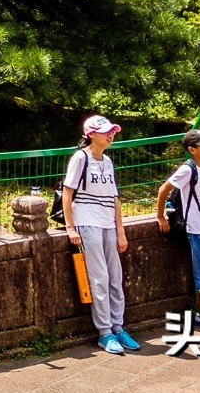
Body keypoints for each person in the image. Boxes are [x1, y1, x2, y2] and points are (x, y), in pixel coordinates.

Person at [62, 114, 137, 354]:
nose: (111, 135)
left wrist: (120, 230)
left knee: (115, 277)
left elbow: (114, 197)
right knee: (99, 278)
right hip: (88, 222)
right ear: (91, 134)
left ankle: (118, 327)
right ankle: (105, 332)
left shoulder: (107, 161)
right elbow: (67, 193)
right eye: (106, 131)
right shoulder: (80, 158)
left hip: (107, 224)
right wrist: (70, 227)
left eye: (112, 131)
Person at [156, 129, 200, 331]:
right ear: (192, 150)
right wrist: (160, 216)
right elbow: (163, 189)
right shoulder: (188, 169)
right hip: (199, 228)